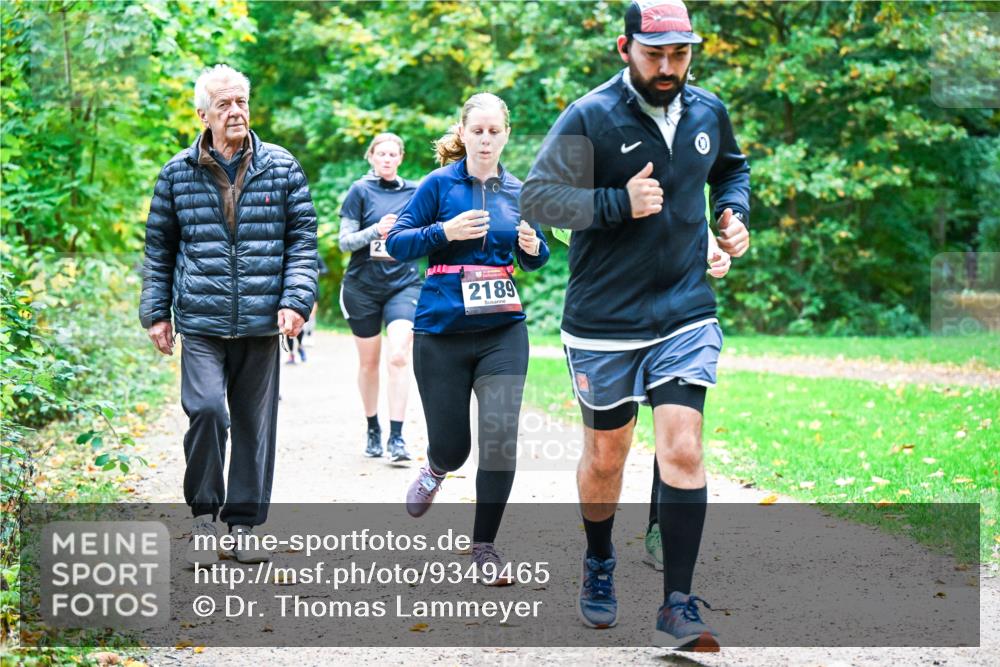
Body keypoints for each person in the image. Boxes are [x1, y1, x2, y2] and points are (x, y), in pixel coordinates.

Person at [521, 0, 750, 649]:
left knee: (682, 448)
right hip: (603, 320)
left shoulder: (708, 111)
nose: (669, 66)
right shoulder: (591, 115)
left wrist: (732, 213)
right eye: (656, 54)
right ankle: (599, 559)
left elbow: (730, 168)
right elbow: (537, 197)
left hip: (684, 309)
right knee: (605, 457)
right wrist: (617, 202)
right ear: (625, 49)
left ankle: (677, 601)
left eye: (681, 53)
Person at [139, 64, 318, 568]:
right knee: (208, 412)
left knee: (254, 425)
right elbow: (159, 249)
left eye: (240, 101)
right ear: (203, 114)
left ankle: (242, 527)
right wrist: (157, 313)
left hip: (263, 321)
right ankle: (202, 518)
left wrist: (295, 300)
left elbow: (302, 242)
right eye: (224, 104)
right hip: (200, 320)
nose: (236, 111)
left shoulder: (282, 167)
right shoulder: (177, 173)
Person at [386, 93, 550, 584]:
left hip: (503, 329)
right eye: (476, 131)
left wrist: (534, 246)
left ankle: (485, 547)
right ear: (463, 132)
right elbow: (396, 244)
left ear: (506, 135)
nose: (485, 140)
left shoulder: (521, 190)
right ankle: (436, 467)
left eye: (493, 131)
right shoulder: (438, 185)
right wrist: (444, 231)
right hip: (441, 331)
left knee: (500, 441)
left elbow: (536, 256)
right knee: (455, 447)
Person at [338, 133, 422, 462]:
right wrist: (376, 230)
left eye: (392, 154)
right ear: (371, 157)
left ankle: (397, 438)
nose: (386, 159)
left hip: (403, 284)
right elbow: (344, 242)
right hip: (363, 287)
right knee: (370, 363)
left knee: (399, 355)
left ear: (400, 157)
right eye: (381, 154)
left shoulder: (415, 192)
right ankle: (373, 427)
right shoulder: (360, 191)